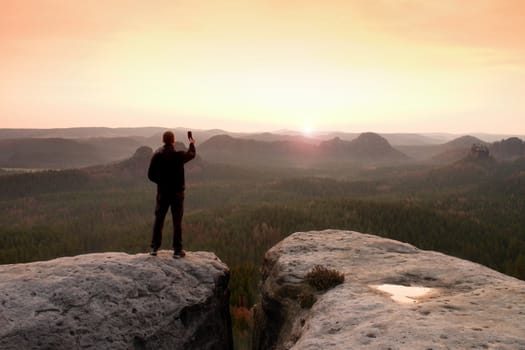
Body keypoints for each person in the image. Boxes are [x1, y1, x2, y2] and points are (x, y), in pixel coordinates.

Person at [147, 130, 196, 258]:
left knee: (159, 220)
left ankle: (154, 248)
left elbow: (150, 175)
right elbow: (192, 154)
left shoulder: (157, 156)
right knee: (177, 221)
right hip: (177, 194)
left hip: (163, 193)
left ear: (163, 140)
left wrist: (162, 182)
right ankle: (177, 250)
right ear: (173, 141)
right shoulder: (178, 155)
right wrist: (191, 143)